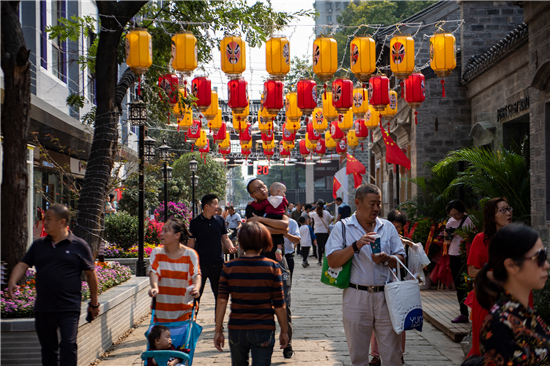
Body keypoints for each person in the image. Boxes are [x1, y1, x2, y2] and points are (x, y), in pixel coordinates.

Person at [7, 204, 100, 366]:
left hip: (69, 307)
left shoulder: (79, 245)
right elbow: (23, 264)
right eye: (45, 219)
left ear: (62, 222)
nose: (45, 223)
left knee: (68, 345)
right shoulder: (39, 245)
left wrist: (94, 302)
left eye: (49, 219)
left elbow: (91, 274)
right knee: (48, 350)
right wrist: (12, 281)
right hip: (44, 307)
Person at [326, 184, 406, 366]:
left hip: (386, 296)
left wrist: (387, 258)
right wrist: (356, 245)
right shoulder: (343, 227)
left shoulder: (387, 227)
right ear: (358, 203)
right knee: (358, 355)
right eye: (372, 204)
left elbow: (401, 258)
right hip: (356, 296)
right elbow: (332, 261)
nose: (377, 208)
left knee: (393, 354)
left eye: (379, 203)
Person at [214, 222, 289, 366]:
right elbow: (279, 304)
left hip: (237, 327)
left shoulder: (229, 267)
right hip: (263, 328)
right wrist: (284, 331)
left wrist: (218, 331)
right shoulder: (273, 267)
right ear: (265, 242)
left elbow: (222, 301)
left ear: (241, 243)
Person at [476, 223, 550, 365]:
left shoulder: (524, 313)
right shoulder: (499, 324)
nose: (546, 265)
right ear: (511, 265)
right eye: (540, 257)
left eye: (545, 255)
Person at [245, 178, 294, 358]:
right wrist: (271, 226)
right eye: (257, 189)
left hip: (279, 261)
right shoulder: (250, 208)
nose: (262, 190)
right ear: (252, 195)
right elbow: (255, 227)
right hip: (258, 262)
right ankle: (262, 343)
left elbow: (284, 227)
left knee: (284, 303)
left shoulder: (278, 201)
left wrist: (262, 223)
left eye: (263, 186)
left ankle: (288, 342)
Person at [467, 197, 514, 357]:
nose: (508, 213)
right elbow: (472, 271)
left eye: (509, 209)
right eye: (503, 210)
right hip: (488, 299)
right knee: (487, 350)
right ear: (491, 216)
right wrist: (494, 274)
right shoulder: (481, 239)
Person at [369, 209, 413, 366]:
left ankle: (399, 353)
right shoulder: (381, 235)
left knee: (399, 321)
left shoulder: (403, 241)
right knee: (378, 323)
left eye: (399, 227)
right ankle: (375, 355)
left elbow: (405, 262)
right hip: (383, 285)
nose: (396, 230)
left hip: (399, 284)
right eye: (394, 226)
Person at [187, 194, 237, 314]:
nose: (217, 207)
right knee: (196, 295)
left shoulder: (220, 220)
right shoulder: (195, 222)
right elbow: (191, 243)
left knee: (220, 296)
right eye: (215, 204)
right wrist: (187, 260)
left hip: (218, 263)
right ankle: (191, 322)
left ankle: (218, 324)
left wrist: (230, 247)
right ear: (207, 206)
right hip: (200, 264)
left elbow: (225, 238)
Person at [149, 218, 201, 322]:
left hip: (185, 313)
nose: (161, 234)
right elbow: (153, 272)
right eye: (162, 230)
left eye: (166, 231)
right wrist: (154, 287)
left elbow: (196, 275)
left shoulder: (190, 254)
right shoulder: (157, 253)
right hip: (161, 313)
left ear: (177, 235)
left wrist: (196, 288)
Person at [444, 200, 475, 324]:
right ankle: (463, 313)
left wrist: (461, 233)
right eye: (452, 215)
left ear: (462, 210)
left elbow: (474, 237)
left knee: (469, 284)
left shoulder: (470, 220)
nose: (455, 217)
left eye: (457, 214)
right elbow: (447, 242)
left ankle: (474, 312)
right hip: (453, 254)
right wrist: (448, 235)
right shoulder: (450, 222)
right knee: (459, 285)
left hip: (466, 255)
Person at [308, 199, 334, 266]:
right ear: (323, 206)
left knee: (319, 247)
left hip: (317, 232)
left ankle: (319, 261)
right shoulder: (326, 213)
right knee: (326, 246)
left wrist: (315, 209)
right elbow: (332, 219)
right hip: (325, 232)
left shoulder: (314, 213)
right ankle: (326, 260)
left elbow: (309, 214)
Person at [283, 215, 301, 281]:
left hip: (287, 256)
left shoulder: (291, 222)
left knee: (287, 283)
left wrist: (286, 235)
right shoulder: (265, 219)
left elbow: (297, 240)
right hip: (270, 257)